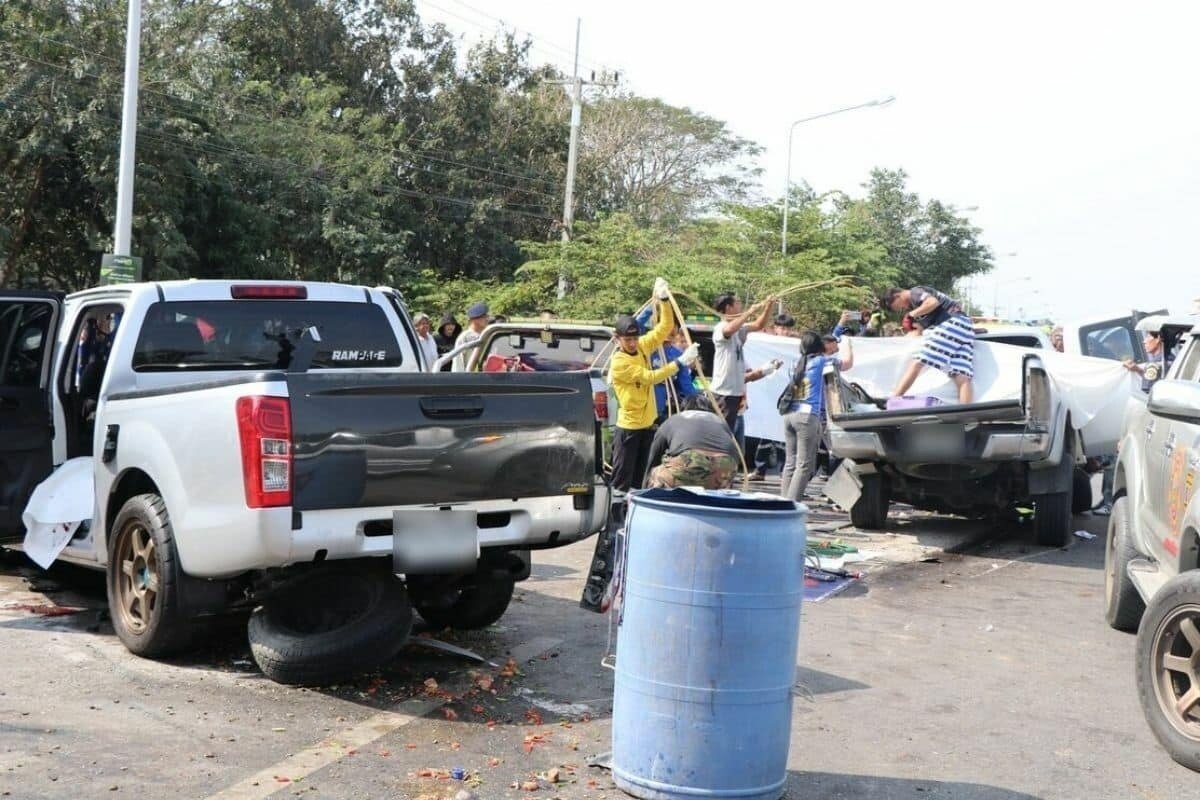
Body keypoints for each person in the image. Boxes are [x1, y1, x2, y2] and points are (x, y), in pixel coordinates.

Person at [609, 278, 700, 492]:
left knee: (641, 477)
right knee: (622, 478)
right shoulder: (620, 362)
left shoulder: (641, 346)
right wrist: (680, 363)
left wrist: (665, 300)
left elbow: (664, 327)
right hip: (629, 428)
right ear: (617, 339)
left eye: (634, 339)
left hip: (648, 424)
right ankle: (614, 519)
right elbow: (650, 377)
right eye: (627, 340)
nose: (632, 343)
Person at [778, 330, 854, 501]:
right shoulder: (821, 362)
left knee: (790, 462)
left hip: (789, 414)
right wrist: (848, 342)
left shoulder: (795, 363)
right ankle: (792, 504)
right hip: (806, 417)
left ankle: (783, 501)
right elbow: (847, 363)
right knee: (804, 465)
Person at [886, 286, 975, 404]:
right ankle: (966, 413)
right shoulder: (920, 306)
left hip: (952, 322)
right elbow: (919, 331)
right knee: (961, 374)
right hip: (964, 326)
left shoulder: (915, 292)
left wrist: (911, 315)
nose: (902, 309)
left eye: (898, 306)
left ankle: (893, 401)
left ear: (897, 296)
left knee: (917, 361)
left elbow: (933, 302)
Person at [711, 291, 775, 432]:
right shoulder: (720, 327)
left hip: (735, 393)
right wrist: (750, 311)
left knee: (730, 434)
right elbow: (729, 329)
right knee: (722, 434)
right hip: (723, 393)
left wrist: (769, 305)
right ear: (728, 308)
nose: (741, 306)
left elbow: (759, 325)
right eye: (738, 303)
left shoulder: (739, 329)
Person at [645, 395, 739, 489]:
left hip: (692, 462)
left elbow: (654, 456)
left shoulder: (674, 419)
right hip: (726, 466)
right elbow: (733, 452)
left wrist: (644, 487)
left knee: (655, 473)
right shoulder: (720, 421)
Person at [634, 307, 697, 421]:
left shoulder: (678, 354)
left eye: (673, 325)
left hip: (661, 408)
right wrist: (651, 308)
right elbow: (635, 326)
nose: (670, 329)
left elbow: (685, 384)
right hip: (641, 405)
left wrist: (699, 400)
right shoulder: (647, 346)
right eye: (666, 325)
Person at [452, 302, 490, 372]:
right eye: (484, 317)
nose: (487, 319)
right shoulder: (464, 337)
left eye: (487, 316)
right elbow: (458, 364)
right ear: (474, 320)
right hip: (472, 379)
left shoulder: (488, 334)